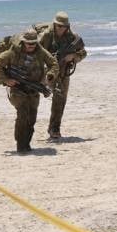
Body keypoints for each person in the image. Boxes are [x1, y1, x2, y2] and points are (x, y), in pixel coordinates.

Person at [0, 29, 58, 153]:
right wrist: (6, 80)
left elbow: (53, 64)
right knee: (23, 115)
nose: (31, 46)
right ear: (23, 42)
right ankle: (20, 145)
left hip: (34, 89)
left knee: (32, 118)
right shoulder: (13, 52)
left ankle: (26, 144)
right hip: (17, 90)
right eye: (28, 44)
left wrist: (50, 75)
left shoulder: (40, 52)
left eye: (33, 43)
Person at [39, 11, 88, 140]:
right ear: (54, 24)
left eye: (64, 26)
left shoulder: (73, 37)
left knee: (60, 99)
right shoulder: (46, 36)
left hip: (64, 72)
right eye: (59, 25)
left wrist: (73, 56)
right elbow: (35, 51)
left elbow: (83, 53)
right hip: (48, 70)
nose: (61, 28)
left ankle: (54, 129)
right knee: (40, 95)